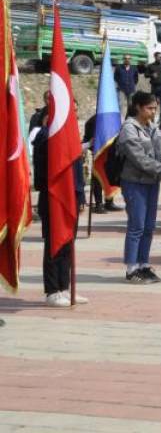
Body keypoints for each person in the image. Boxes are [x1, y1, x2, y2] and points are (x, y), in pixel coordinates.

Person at [117, 91, 161, 283]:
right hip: (134, 182)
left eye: (155, 108)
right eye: (149, 108)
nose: (153, 112)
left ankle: (144, 263)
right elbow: (140, 160)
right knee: (136, 225)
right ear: (138, 107)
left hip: (152, 182)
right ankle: (131, 268)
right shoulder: (129, 128)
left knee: (149, 226)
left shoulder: (153, 127)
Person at [32, 111, 87, 306]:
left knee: (67, 243)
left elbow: (77, 170)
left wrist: (80, 195)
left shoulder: (70, 137)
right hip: (53, 196)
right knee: (54, 243)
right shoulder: (46, 136)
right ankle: (52, 290)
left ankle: (65, 287)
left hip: (71, 196)